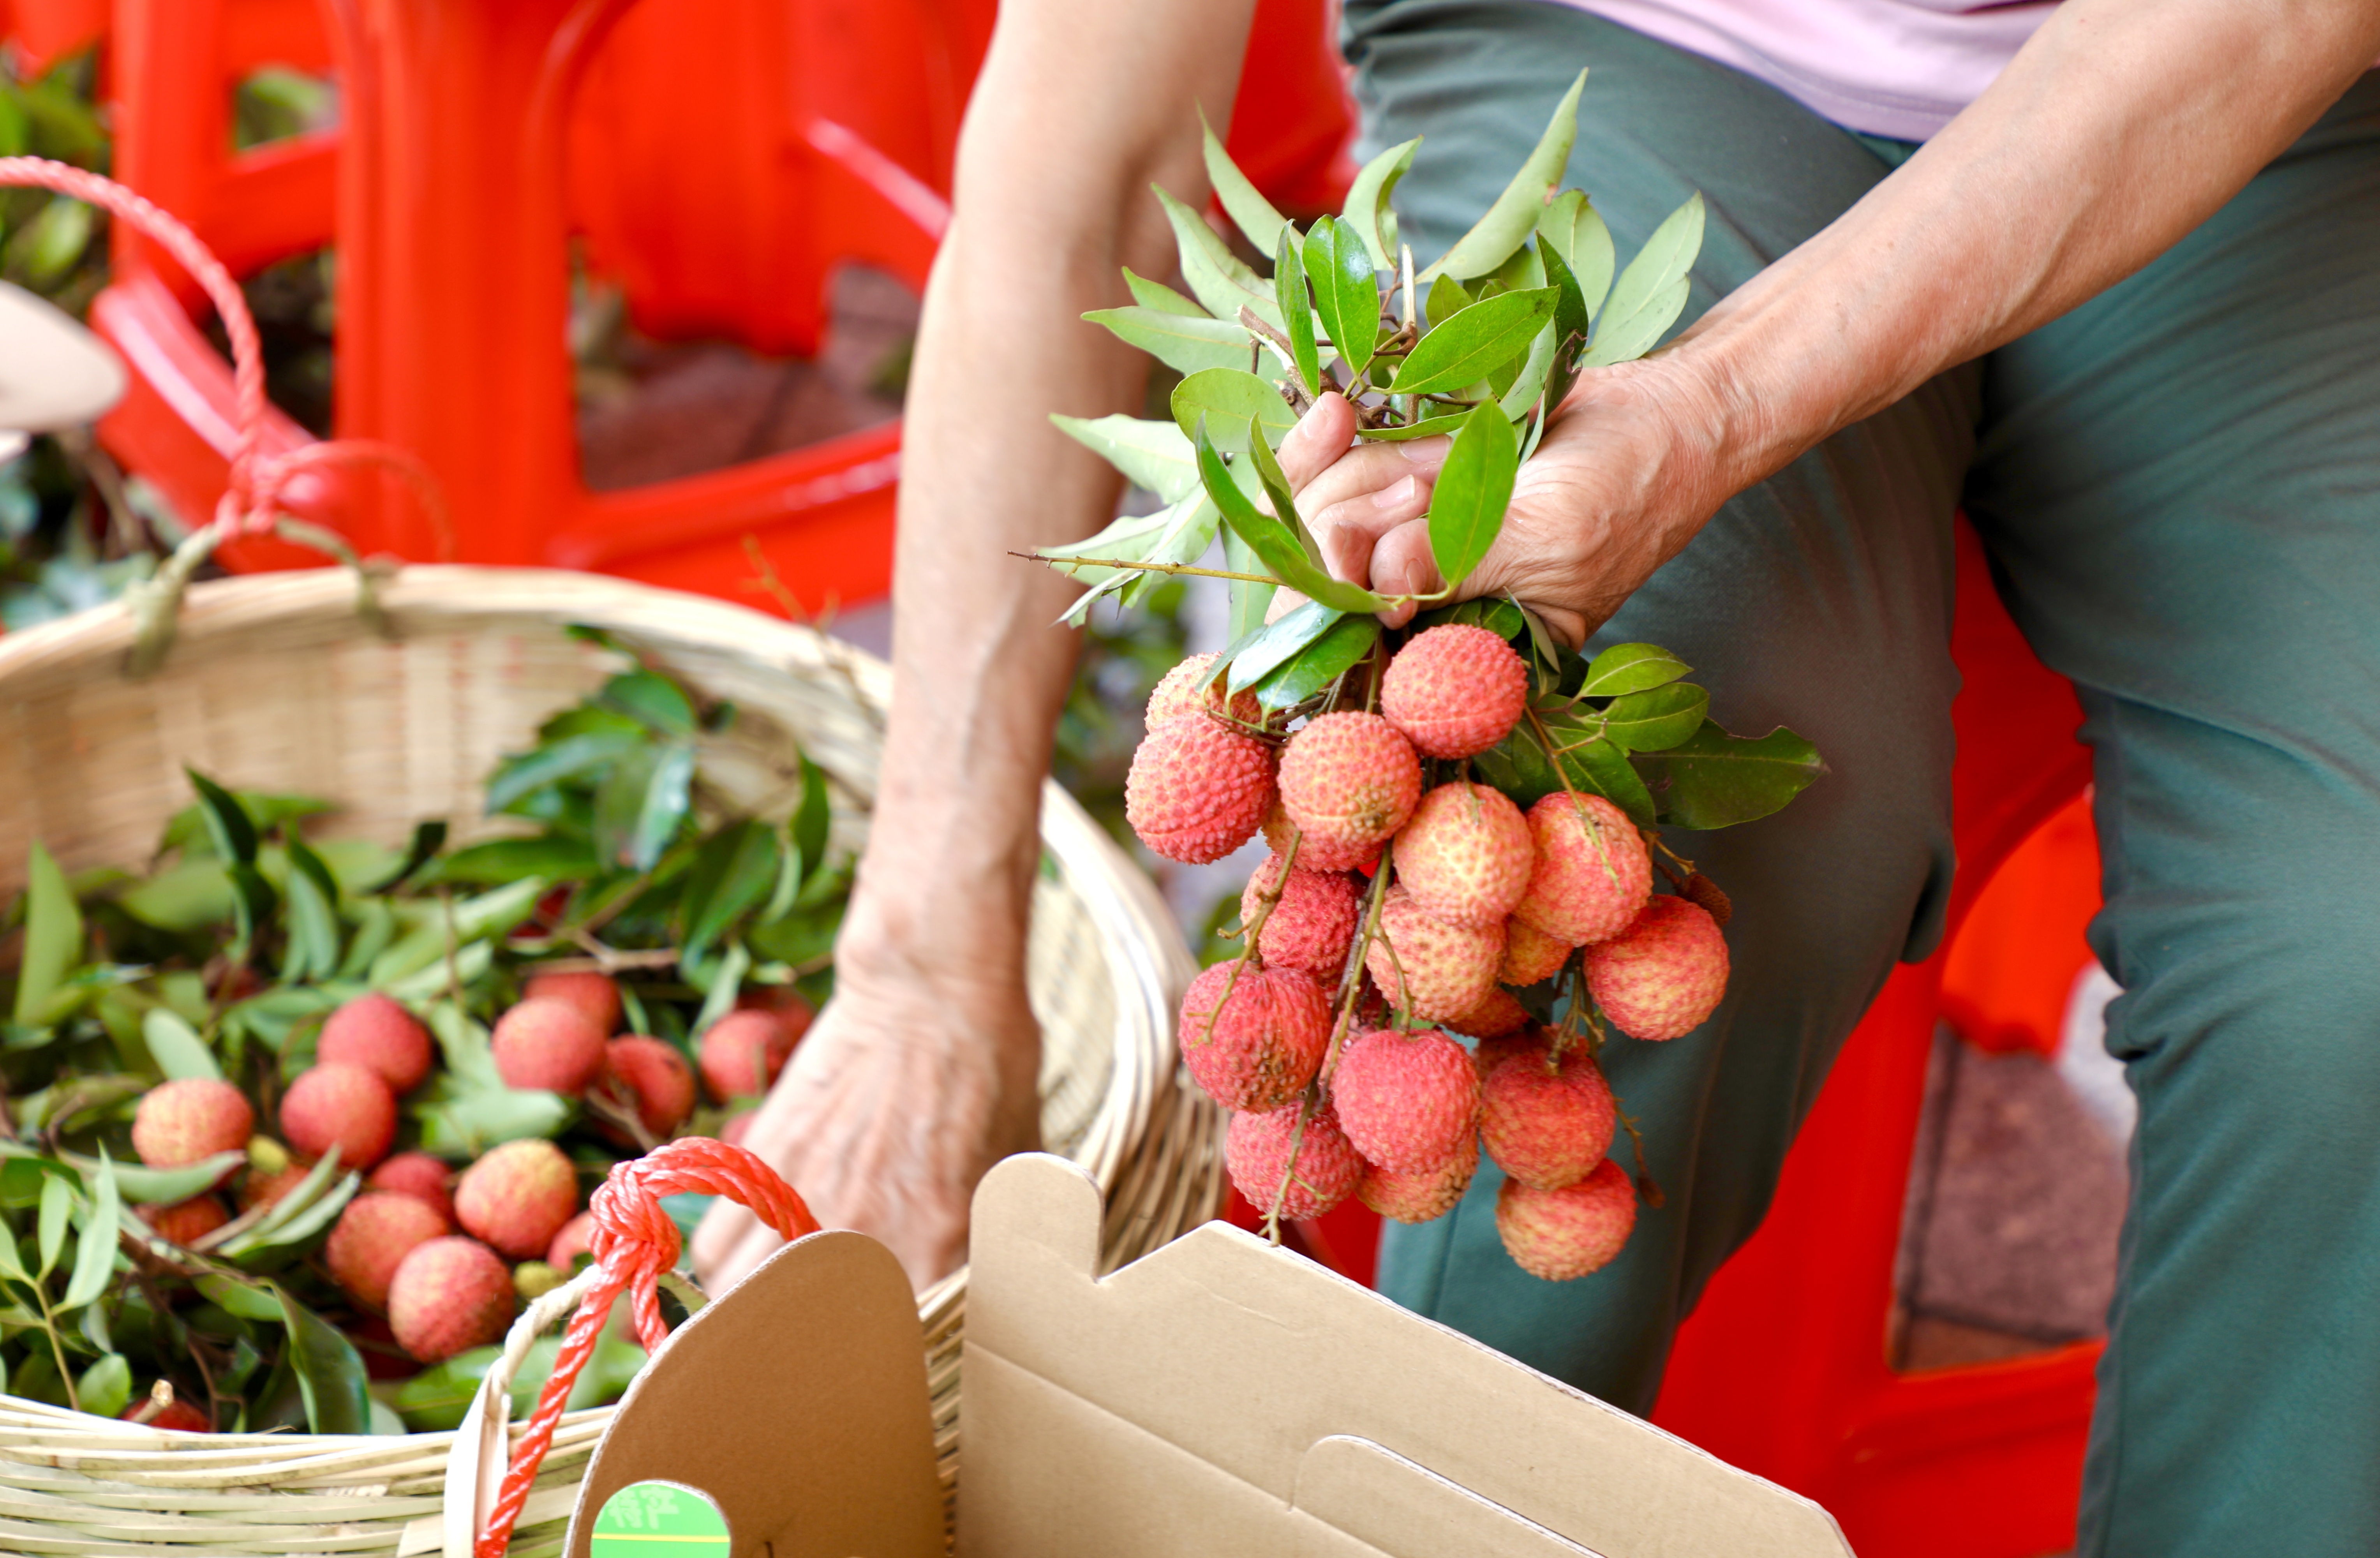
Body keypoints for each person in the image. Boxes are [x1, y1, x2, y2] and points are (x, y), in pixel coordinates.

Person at [695, 2, 2380, 1550]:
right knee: (1623, 854)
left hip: (2234, 102)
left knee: (2352, 964)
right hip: (1648, 42)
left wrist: (1714, 412)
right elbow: (1094, 148)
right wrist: (924, 964)